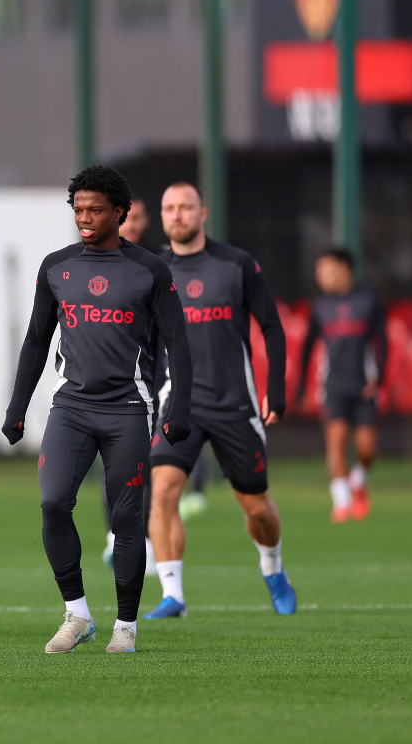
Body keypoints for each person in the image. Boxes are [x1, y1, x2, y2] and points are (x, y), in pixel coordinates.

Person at [1, 165, 192, 655]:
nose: (84, 218)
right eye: (78, 209)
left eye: (95, 210)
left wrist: (180, 408)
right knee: (51, 504)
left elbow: (178, 341)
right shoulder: (56, 267)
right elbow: (36, 340)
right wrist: (18, 405)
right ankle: (77, 614)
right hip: (71, 408)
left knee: (126, 520)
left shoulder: (149, 269)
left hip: (129, 407)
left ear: (120, 213)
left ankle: (125, 625)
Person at [144, 182, 296, 620]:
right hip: (179, 404)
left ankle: (273, 567)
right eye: (169, 208)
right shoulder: (153, 270)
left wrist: (277, 388)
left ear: (203, 213)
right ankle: (172, 594)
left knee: (257, 506)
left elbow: (271, 326)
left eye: (185, 207)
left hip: (235, 403)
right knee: (165, 491)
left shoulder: (236, 264)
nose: (177, 215)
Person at [298, 248, 386, 523]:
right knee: (335, 444)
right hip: (333, 385)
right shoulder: (320, 304)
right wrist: (301, 386)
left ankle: (358, 480)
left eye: (325, 269)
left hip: (363, 386)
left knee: (366, 448)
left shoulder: (369, 299)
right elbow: (308, 345)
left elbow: (383, 340)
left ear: (344, 269)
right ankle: (342, 503)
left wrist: (379, 377)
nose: (320, 275)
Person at [101, 197, 157, 574]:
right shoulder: (87, 264)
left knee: (146, 469)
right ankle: (113, 537)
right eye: (127, 217)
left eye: (137, 217)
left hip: (145, 388)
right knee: (110, 469)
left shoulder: (153, 267)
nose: (131, 224)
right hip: (97, 390)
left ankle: (146, 541)